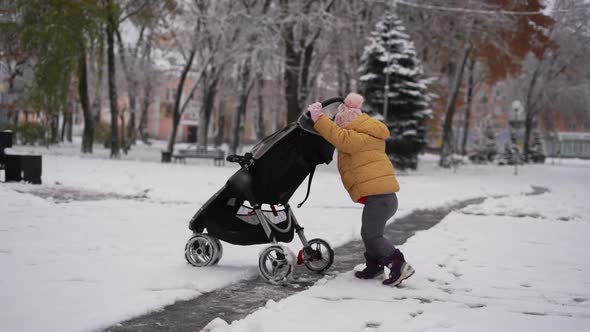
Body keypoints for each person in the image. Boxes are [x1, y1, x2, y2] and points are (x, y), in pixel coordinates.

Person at [307, 93, 414, 286]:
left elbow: (341, 138)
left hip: (381, 198)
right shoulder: (368, 133)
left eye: (341, 123)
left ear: (349, 121)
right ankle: (375, 266)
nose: (341, 127)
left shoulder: (359, 137)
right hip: (382, 198)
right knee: (369, 234)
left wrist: (320, 119)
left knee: (372, 235)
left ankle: (398, 264)